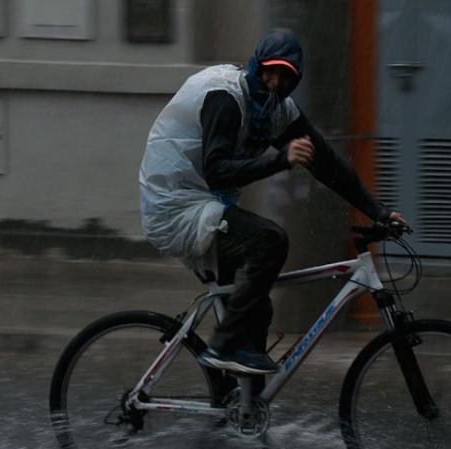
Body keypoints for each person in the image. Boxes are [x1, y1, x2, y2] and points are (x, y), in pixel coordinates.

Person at [139, 30, 407, 375]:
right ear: (256, 65)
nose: (275, 81)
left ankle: (244, 408)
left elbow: (327, 165)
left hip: (206, 204)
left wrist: (379, 211)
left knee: (256, 304)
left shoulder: (277, 111)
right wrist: (281, 160)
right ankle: (223, 344)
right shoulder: (226, 96)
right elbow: (218, 171)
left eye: (286, 75)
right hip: (175, 205)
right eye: (269, 70)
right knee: (269, 241)